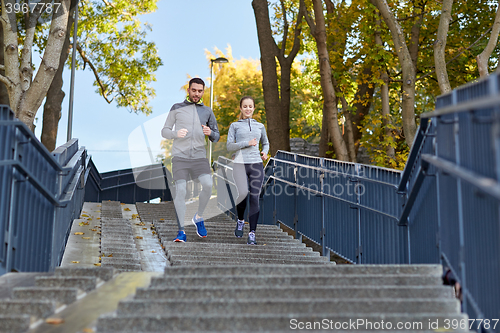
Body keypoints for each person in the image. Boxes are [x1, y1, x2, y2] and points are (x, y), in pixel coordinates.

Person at [161, 77, 220, 242]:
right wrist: (175, 134)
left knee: (208, 185)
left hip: (199, 157)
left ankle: (198, 217)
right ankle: (181, 231)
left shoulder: (207, 111)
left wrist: (210, 133)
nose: (196, 94)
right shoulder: (177, 108)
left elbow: (216, 136)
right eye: (194, 90)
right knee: (181, 191)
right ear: (188, 90)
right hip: (180, 156)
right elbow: (164, 131)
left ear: (203, 92)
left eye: (200, 91)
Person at [226, 96, 269, 245]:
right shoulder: (234, 126)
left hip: (256, 164)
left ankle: (252, 233)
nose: (248, 109)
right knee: (243, 193)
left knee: (255, 198)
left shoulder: (260, 126)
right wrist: (246, 143)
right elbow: (229, 146)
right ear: (241, 108)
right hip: (239, 164)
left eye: (250, 106)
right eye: (245, 106)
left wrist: (264, 152)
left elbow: (266, 143)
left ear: (254, 108)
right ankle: (240, 220)